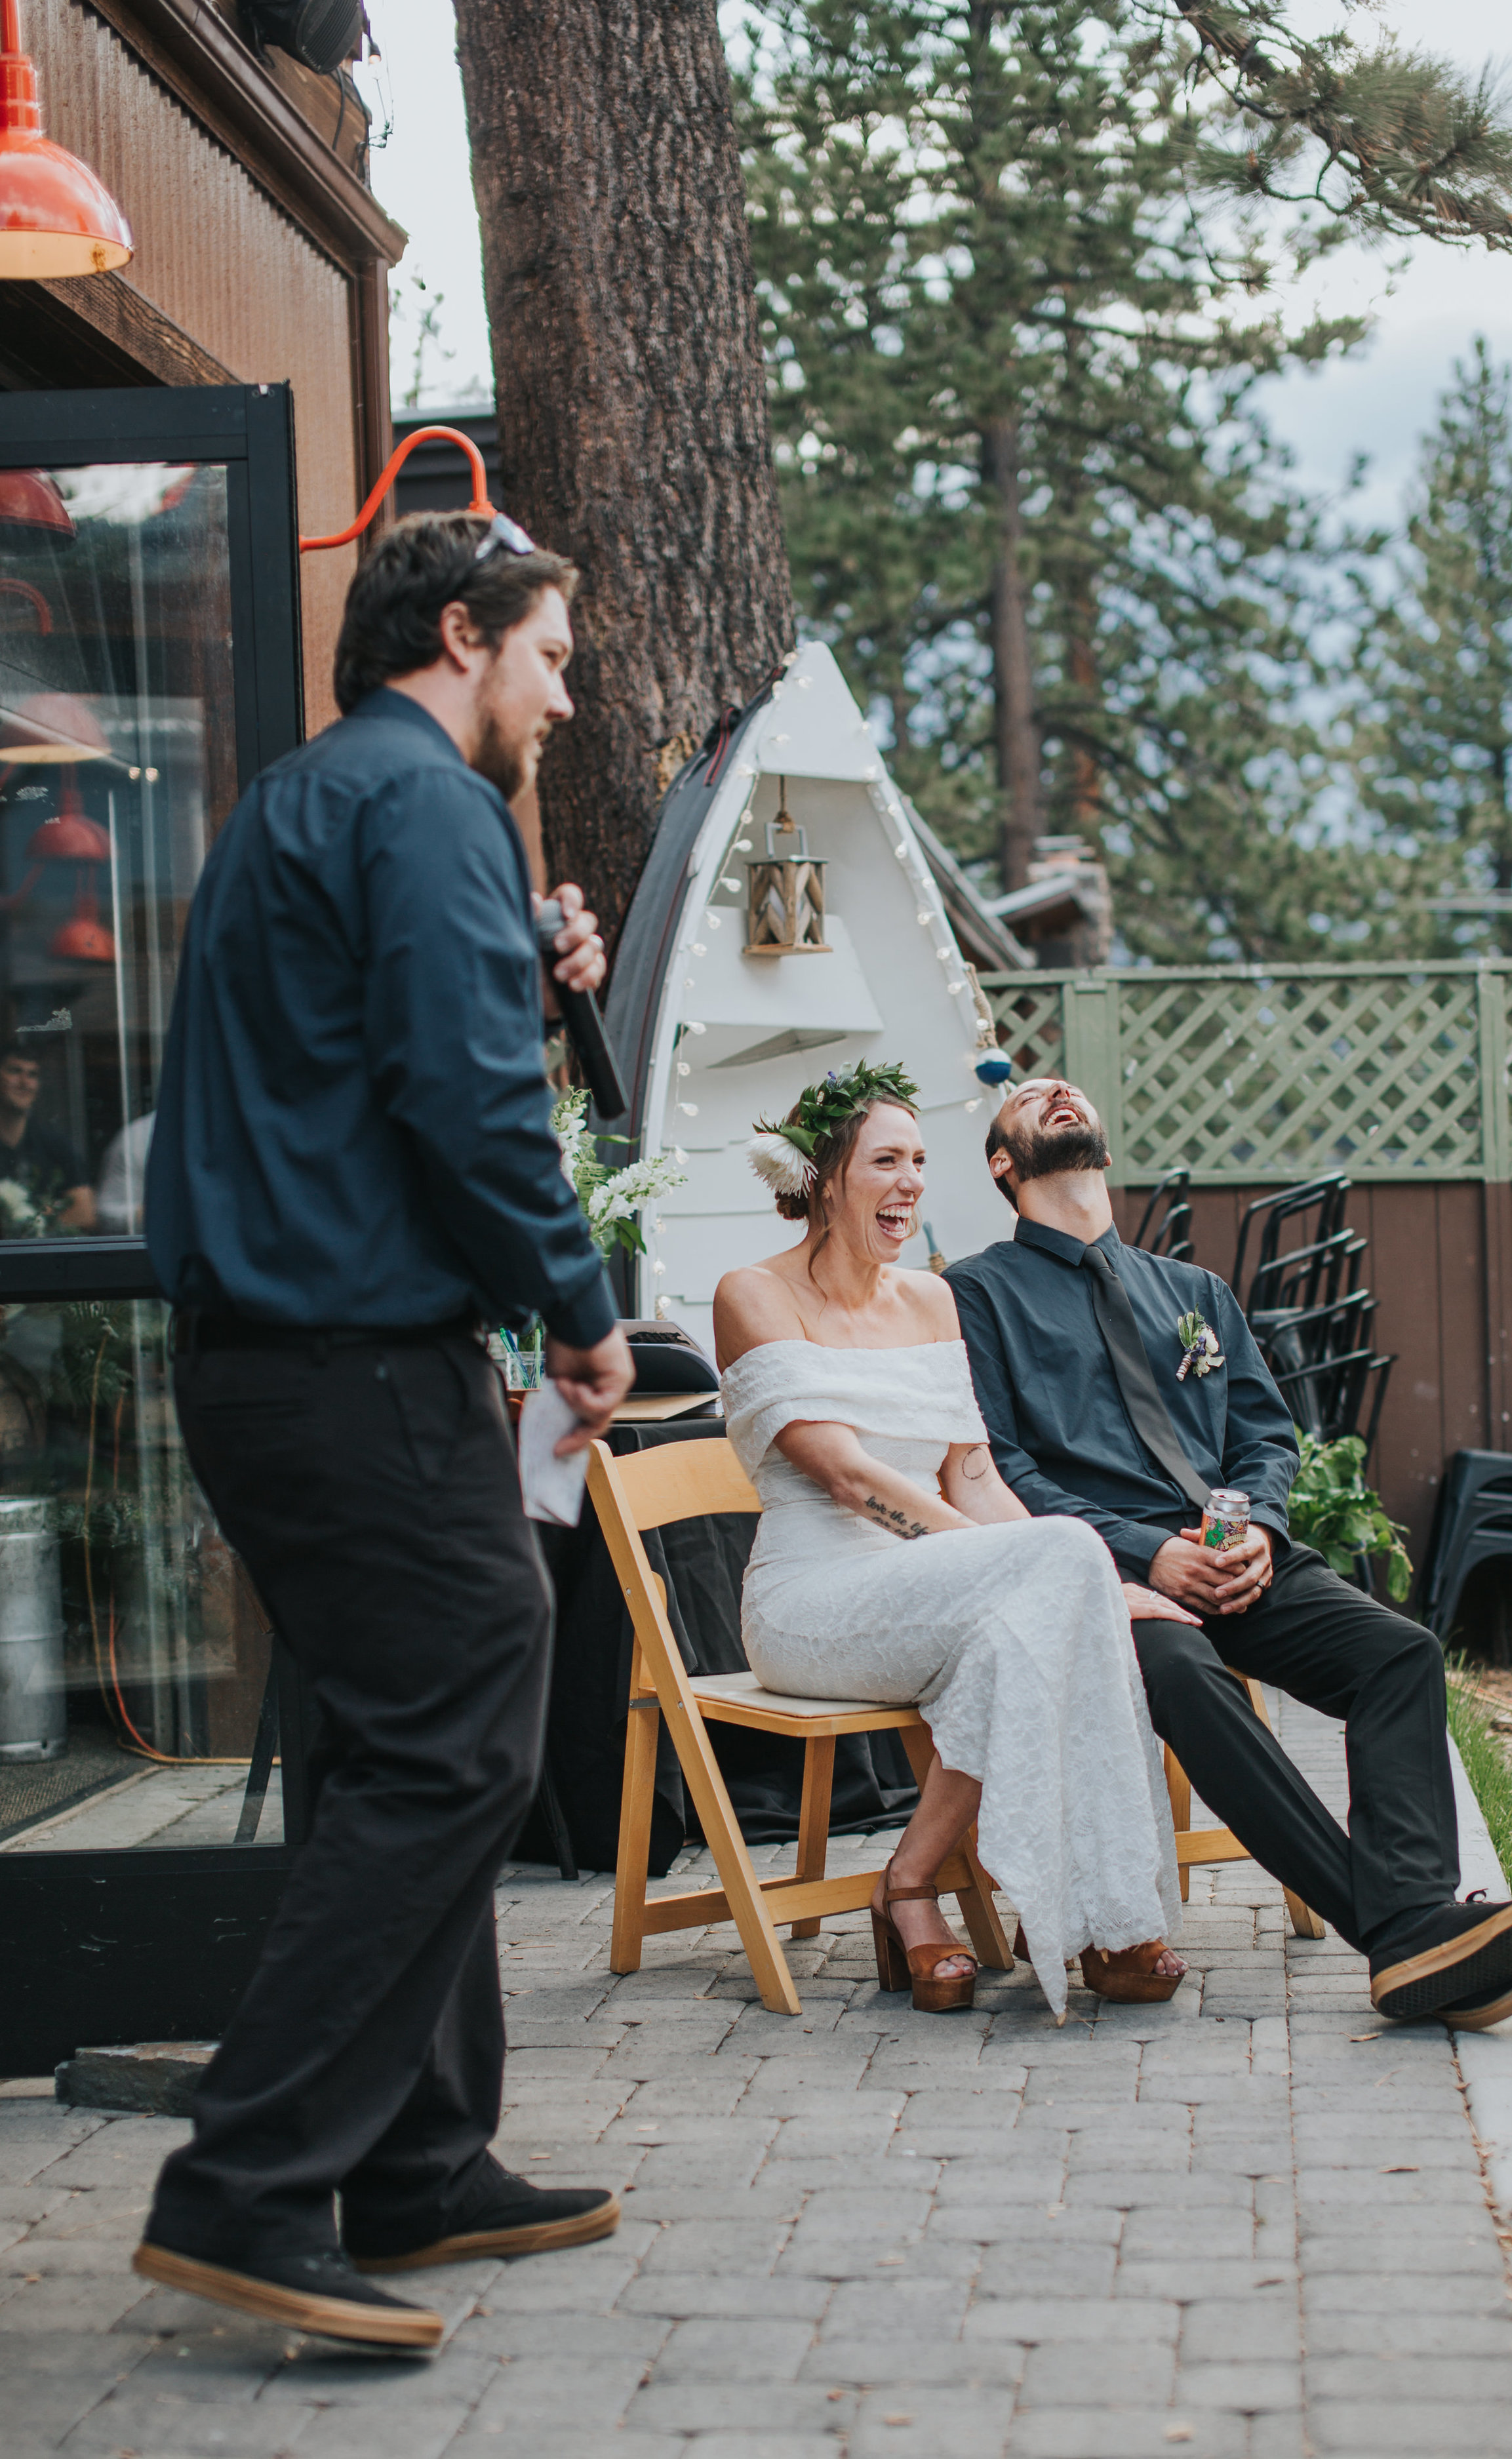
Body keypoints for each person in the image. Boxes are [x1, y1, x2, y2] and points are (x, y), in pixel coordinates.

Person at [135, 511, 635, 2352]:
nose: (565, 700)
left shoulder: (301, 797)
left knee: (390, 1741)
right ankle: (250, 2180)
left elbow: (384, 1049)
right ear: (460, 634)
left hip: (271, 1353)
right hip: (348, 1357)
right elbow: (463, 1095)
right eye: (553, 657)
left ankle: (417, 2159)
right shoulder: (423, 802)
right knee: (463, 1729)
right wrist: (580, 1311)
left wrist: (522, 960)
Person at [945, 1075, 1512, 2032]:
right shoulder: (976, 1292)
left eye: (1066, 1087)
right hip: (1102, 1576)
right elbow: (1001, 1466)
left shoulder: (1193, 1291)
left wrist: (1259, 1532)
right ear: (1004, 1161)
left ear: (1106, 1148)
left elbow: (1265, 1436)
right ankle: (1406, 1932)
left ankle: (1416, 1922)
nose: (1056, 1089)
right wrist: (1140, 1551)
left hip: (1236, 1556)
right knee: (1189, 1674)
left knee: (1400, 1654)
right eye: (1030, 1098)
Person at [715, 1058, 1201, 2022]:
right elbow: (847, 1476)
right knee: (1053, 1576)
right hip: (810, 1605)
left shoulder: (931, 1302)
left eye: (922, 1161)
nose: (911, 1183)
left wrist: (1070, 1572)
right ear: (821, 1177)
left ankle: (911, 1884)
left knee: (1024, 1630)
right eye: (885, 1160)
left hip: (936, 1595)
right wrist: (1060, 1569)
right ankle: (1105, 1918)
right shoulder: (750, 1293)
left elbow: (972, 1478)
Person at [0, 1044, 95, 1231]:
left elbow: (85, 1213)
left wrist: (34, 1229)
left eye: (32, 1075)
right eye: (15, 1071)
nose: (24, 1083)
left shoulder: (55, 1145)